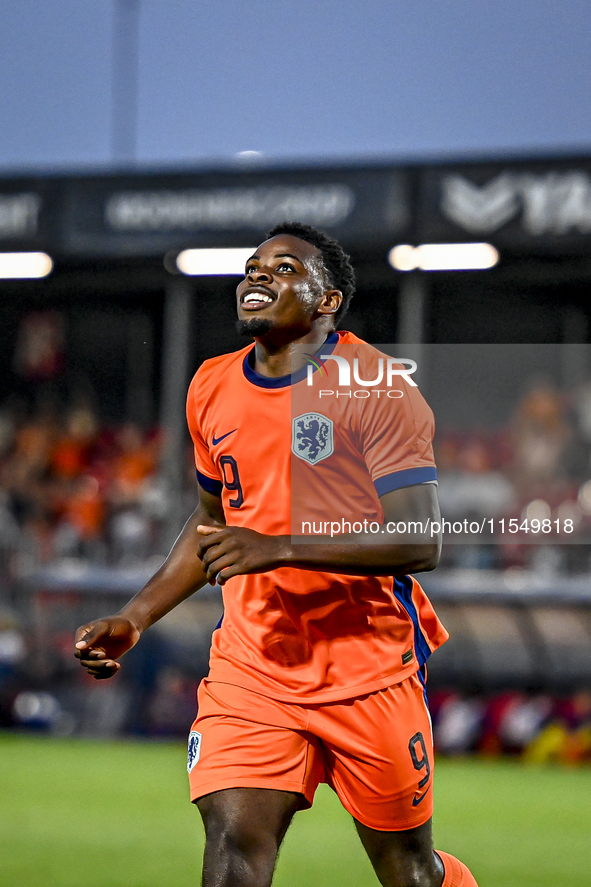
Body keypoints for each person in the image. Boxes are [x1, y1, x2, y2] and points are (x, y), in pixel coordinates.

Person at [75, 222, 479, 887]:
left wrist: (280, 545)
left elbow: (419, 539)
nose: (257, 275)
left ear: (327, 302)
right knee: (233, 853)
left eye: (284, 267)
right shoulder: (210, 386)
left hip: (366, 668)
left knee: (409, 873)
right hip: (253, 666)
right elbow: (211, 523)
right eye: (252, 265)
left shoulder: (376, 387)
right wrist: (137, 616)